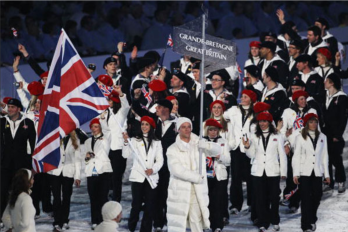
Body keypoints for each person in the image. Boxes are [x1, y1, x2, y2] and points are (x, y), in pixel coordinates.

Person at [243, 112, 287, 232]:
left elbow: (282, 155)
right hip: (258, 172)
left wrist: (283, 172)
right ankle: (263, 222)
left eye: (265, 121)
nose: (262, 123)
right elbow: (251, 155)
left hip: (273, 171)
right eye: (260, 121)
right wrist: (247, 147)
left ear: (269, 122)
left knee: (274, 197)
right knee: (260, 198)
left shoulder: (277, 136)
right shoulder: (253, 136)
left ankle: (275, 220)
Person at [166, 117, 210, 232]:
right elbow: (176, 170)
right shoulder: (172, 149)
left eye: (189, 127)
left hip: (196, 190)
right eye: (183, 127)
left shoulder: (198, 145)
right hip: (180, 191)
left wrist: (206, 145)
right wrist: (196, 177)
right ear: (178, 129)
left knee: (196, 221)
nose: (187, 129)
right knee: (178, 223)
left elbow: (217, 151)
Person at [122, 116, 163, 232]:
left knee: (150, 206)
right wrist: (126, 142)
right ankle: (131, 227)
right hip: (138, 177)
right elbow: (125, 155)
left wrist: (153, 169)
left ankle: (146, 229)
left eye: (146, 124)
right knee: (136, 205)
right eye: (142, 124)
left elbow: (160, 160)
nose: (144, 127)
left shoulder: (157, 142)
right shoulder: (135, 140)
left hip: (151, 178)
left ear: (151, 127)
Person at [292, 113, 330, 232]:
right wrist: (296, 173)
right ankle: (306, 225)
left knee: (317, 197)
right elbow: (296, 156)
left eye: (315, 122)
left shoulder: (323, 137)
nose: (314, 124)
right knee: (305, 199)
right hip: (305, 172)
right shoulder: (300, 137)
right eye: (311, 122)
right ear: (307, 123)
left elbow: (325, 157)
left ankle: (312, 218)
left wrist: (327, 175)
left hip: (317, 172)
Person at [0, 98, 36, 218]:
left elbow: (33, 144)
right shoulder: (2, 122)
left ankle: (22, 216)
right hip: (5, 164)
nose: (9, 109)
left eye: (12, 107)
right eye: (8, 107)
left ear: (18, 109)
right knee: (3, 191)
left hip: (22, 164)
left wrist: (32, 164)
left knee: (21, 192)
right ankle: (2, 217)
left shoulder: (28, 123)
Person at [223, 89, 257, 215]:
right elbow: (223, 116)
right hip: (236, 147)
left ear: (251, 99)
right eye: (241, 96)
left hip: (249, 147)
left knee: (250, 177)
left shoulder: (255, 113)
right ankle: (235, 204)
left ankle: (251, 204)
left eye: (245, 97)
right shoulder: (233, 110)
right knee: (236, 177)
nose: (242, 99)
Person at [100, 86, 130, 202]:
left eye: (110, 100)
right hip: (107, 148)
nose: (108, 102)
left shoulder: (121, 113)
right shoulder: (105, 113)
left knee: (117, 176)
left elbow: (126, 106)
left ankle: (116, 199)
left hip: (118, 148)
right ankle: (106, 197)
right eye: (108, 100)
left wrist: (121, 93)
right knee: (107, 175)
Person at [200, 119, 230, 232]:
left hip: (219, 175)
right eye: (211, 130)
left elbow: (228, 161)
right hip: (205, 176)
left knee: (217, 201)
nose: (213, 132)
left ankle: (217, 225)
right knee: (205, 201)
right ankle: (205, 224)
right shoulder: (201, 141)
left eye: (215, 130)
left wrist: (219, 157)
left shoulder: (223, 142)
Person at [48, 130, 82, 231]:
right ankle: (57, 222)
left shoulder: (76, 140)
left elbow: (77, 160)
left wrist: (77, 176)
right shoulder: (54, 138)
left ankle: (65, 220)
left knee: (66, 198)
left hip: (68, 172)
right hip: (55, 172)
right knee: (56, 198)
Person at [84, 118, 112, 230]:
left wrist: (103, 118)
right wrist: (86, 158)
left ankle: (104, 220)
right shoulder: (87, 141)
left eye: (96, 126)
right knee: (93, 198)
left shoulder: (106, 139)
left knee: (103, 198)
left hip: (104, 171)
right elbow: (84, 158)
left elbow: (108, 130)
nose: (94, 129)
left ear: (100, 127)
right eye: (92, 127)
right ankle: (95, 220)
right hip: (91, 172)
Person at [153, 99, 176, 232]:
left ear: (166, 109)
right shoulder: (155, 123)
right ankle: (158, 222)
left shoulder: (176, 124)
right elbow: (138, 110)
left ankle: (169, 220)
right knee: (157, 194)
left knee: (169, 194)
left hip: (170, 166)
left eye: (159, 106)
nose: (157, 109)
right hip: (156, 165)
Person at [322, 73, 348, 193]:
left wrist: (338, 135)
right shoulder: (325, 96)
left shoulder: (342, 98)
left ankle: (341, 180)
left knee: (336, 159)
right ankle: (328, 182)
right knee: (325, 159)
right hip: (324, 133)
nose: (324, 82)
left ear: (332, 83)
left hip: (335, 134)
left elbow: (343, 118)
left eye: (326, 80)